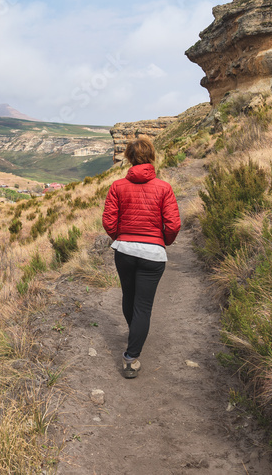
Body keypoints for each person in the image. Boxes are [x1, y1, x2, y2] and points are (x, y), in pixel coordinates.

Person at [101, 136, 181, 379]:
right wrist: (162, 241)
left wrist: (121, 237)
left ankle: (134, 335)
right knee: (143, 305)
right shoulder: (164, 188)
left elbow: (108, 220)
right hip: (152, 254)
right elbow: (173, 224)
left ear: (128, 157)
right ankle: (131, 357)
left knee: (129, 296)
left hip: (124, 251)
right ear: (151, 157)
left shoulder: (117, 186)